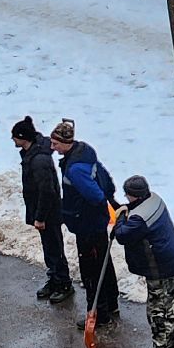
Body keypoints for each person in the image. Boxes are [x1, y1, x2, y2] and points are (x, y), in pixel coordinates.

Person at [50, 119, 119, 328]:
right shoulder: (85, 152)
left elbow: (95, 196)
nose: (52, 147)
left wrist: (79, 210)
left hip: (87, 224)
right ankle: (111, 303)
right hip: (96, 222)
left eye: (55, 144)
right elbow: (105, 180)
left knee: (91, 270)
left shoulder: (75, 169)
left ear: (65, 143)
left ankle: (98, 313)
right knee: (104, 264)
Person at [113, 175, 174, 348]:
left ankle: (162, 347)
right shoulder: (155, 199)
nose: (126, 197)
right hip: (172, 259)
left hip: (159, 266)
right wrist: (127, 209)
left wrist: (120, 217)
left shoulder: (139, 218)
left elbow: (122, 235)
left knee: (158, 307)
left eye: (127, 195)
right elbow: (136, 211)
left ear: (135, 196)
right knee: (173, 299)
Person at [12, 116, 70, 303]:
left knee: (54, 248)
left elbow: (47, 191)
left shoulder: (38, 160)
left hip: (48, 213)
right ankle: (54, 279)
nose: (13, 140)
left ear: (24, 138)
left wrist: (40, 217)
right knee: (49, 248)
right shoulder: (32, 154)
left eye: (15, 137)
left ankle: (63, 283)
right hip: (43, 211)